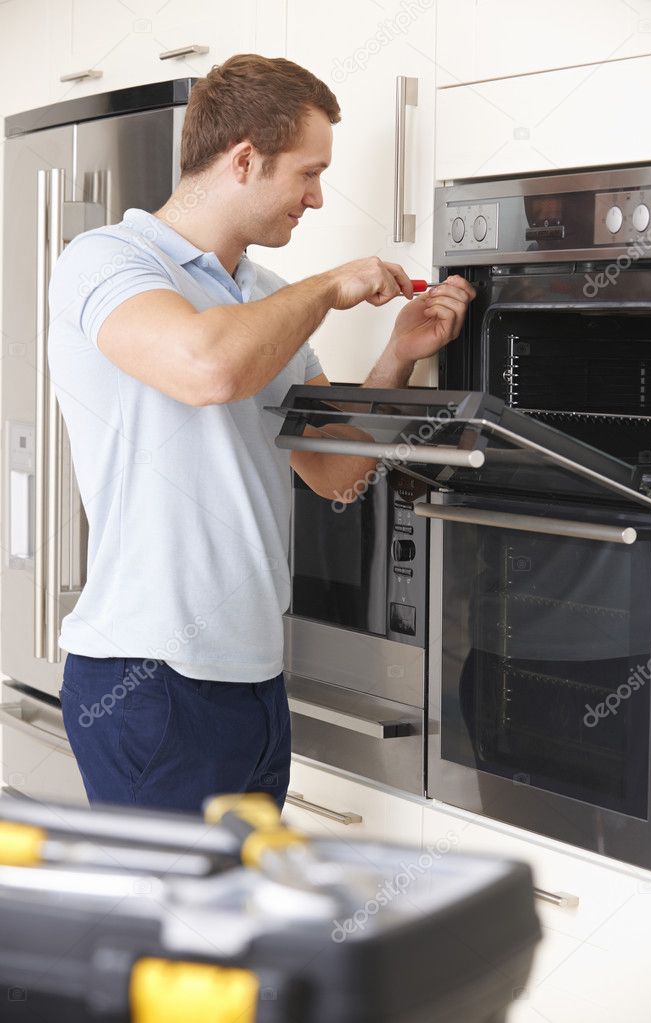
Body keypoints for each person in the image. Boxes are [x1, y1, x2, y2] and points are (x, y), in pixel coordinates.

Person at [47, 53, 476, 814]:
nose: (315, 198)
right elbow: (206, 367)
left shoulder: (264, 298)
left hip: (254, 681)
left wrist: (398, 356)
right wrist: (328, 287)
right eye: (308, 173)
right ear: (245, 158)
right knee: (171, 930)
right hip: (147, 679)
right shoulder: (108, 261)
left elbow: (333, 473)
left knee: (236, 929)